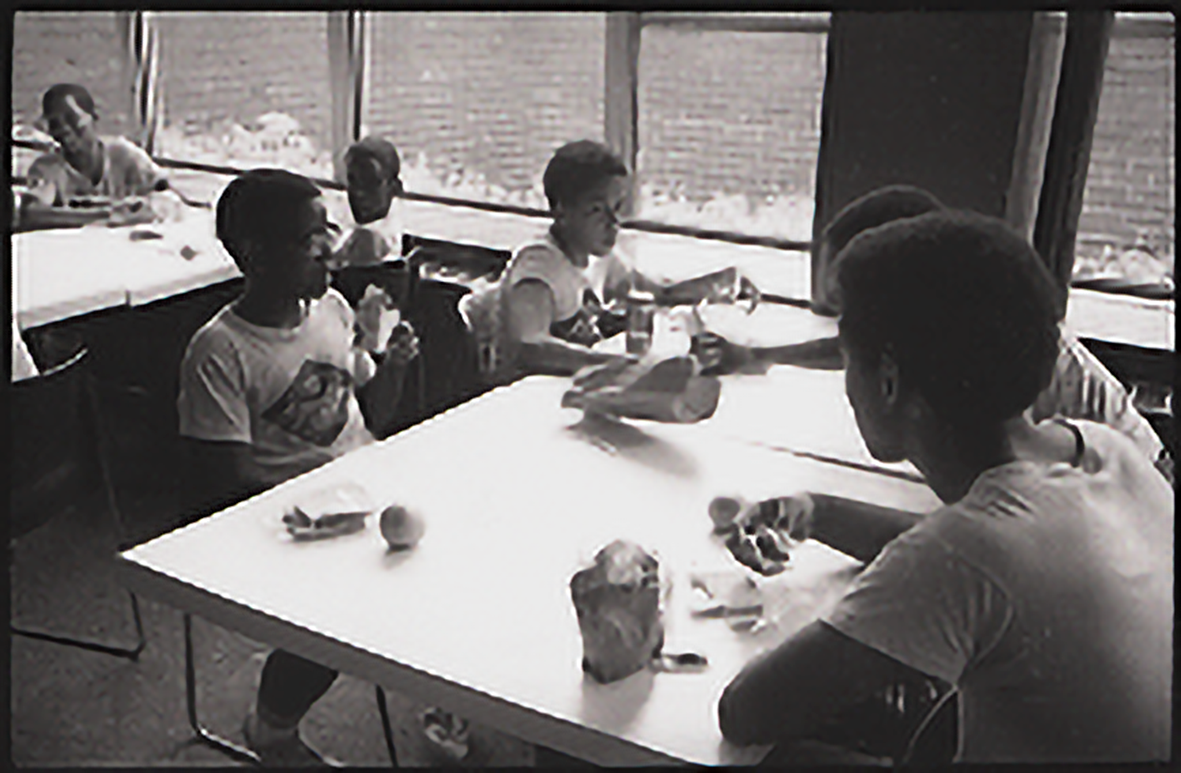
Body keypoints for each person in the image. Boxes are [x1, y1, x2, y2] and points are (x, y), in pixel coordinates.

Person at [717, 211, 1172, 764]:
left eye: (847, 355)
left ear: (887, 381)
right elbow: (979, 551)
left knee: (777, 760)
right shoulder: (1105, 452)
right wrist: (818, 512)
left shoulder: (964, 554)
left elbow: (747, 711)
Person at [177, 169, 420, 766]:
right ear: (257, 254)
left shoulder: (332, 310)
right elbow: (223, 480)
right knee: (343, 608)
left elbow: (369, 418)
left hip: (358, 490)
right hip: (287, 520)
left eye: (328, 231)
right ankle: (273, 728)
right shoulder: (221, 351)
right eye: (311, 239)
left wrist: (394, 366)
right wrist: (326, 500)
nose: (330, 249)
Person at [695, 185, 1171, 480]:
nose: (850, 331)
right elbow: (856, 344)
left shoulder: (999, 352)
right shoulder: (949, 321)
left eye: (853, 309)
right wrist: (760, 355)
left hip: (1142, 485)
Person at [461, 139, 759, 384]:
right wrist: (622, 364)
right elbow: (531, 347)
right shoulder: (540, 265)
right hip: (518, 401)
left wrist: (724, 281)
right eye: (597, 211)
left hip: (569, 389)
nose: (614, 223)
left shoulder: (597, 256)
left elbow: (659, 294)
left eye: (616, 208)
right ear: (562, 211)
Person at [16, 83, 176, 232]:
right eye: (55, 124)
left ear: (94, 117)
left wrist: (144, 208)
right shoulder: (48, 169)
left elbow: (167, 196)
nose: (64, 130)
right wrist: (105, 215)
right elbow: (31, 214)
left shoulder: (124, 155)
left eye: (73, 120)